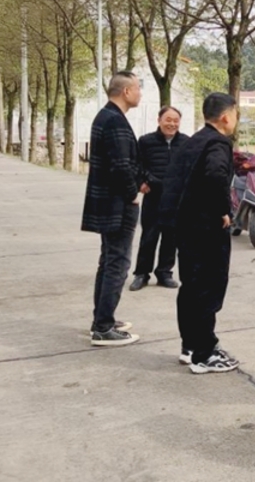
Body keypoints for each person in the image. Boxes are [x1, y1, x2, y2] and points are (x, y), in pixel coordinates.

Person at [160, 93, 240, 374]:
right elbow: (216, 175)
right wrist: (223, 210)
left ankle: (190, 346)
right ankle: (204, 353)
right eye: (235, 114)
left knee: (191, 287)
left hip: (185, 226)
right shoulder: (218, 143)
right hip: (206, 228)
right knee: (208, 287)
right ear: (225, 117)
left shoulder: (192, 141)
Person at [81, 71, 145, 347]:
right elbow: (120, 165)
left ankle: (102, 318)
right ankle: (103, 328)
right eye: (138, 88)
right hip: (117, 204)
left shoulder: (106, 116)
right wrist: (133, 194)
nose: (140, 93)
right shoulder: (115, 121)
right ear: (126, 91)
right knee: (118, 262)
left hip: (108, 202)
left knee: (108, 260)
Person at [130, 106, 189, 291]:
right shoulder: (146, 141)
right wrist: (141, 182)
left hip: (175, 199)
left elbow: (190, 167)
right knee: (149, 236)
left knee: (171, 238)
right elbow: (136, 164)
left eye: (176, 120)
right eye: (168, 119)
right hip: (153, 195)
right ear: (159, 120)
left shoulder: (186, 142)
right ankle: (142, 274)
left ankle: (164, 273)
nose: (172, 124)